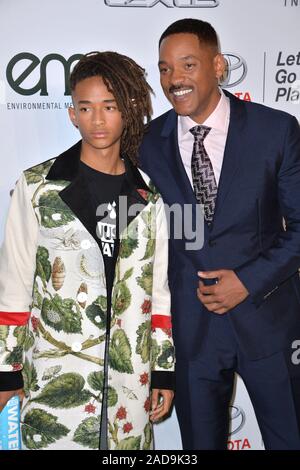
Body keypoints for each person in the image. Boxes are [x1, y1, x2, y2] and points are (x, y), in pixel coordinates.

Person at [0, 51, 174, 450]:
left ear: (127, 111)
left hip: (131, 384)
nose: (98, 119)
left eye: (109, 106)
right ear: (72, 114)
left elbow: (158, 293)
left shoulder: (147, 196)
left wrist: (163, 371)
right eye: (86, 107)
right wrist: (7, 370)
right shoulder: (39, 188)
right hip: (55, 376)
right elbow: (14, 283)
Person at [139, 18, 300, 450]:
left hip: (268, 322)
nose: (175, 80)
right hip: (191, 333)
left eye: (187, 65)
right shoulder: (148, 143)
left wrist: (247, 281)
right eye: (165, 69)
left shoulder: (276, 130)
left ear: (219, 66)